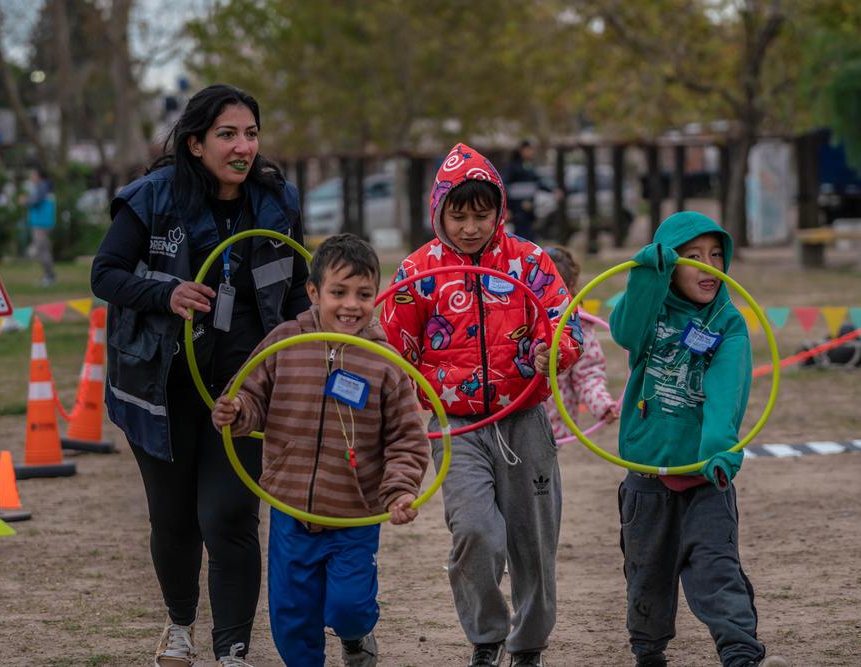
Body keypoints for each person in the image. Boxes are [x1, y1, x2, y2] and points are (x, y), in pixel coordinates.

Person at [91, 84, 310, 667]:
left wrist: (317, 337)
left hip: (244, 391)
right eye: (227, 135)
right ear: (194, 144)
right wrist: (166, 293)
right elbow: (105, 274)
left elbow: (294, 291)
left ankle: (232, 649)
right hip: (162, 386)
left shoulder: (277, 200)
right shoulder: (152, 198)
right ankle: (180, 625)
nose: (244, 147)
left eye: (251, 134)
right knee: (175, 518)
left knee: (230, 515)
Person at [381, 143, 583, 667]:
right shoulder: (416, 270)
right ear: (439, 212)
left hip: (524, 419)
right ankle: (487, 637)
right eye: (459, 215)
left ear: (499, 211)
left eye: (482, 214)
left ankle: (529, 645)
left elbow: (566, 326)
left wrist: (552, 353)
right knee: (474, 531)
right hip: (456, 426)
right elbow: (393, 354)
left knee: (533, 543)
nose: (471, 227)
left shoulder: (530, 261)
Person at [212, 234, 429, 667]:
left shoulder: (384, 361)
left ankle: (355, 636)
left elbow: (407, 438)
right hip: (291, 509)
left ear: (377, 298)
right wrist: (236, 413)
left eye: (364, 295)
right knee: (292, 617)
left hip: (355, 512)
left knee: (349, 607)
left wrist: (400, 491)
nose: (351, 304)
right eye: (339, 292)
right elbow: (252, 395)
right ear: (313, 292)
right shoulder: (284, 342)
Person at [608, 211, 787, 667]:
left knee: (716, 568)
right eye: (692, 257)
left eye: (715, 256)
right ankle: (648, 651)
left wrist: (718, 452)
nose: (708, 266)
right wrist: (648, 272)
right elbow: (625, 330)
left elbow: (727, 391)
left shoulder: (727, 323)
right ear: (671, 265)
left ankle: (740, 652)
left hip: (707, 475)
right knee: (646, 573)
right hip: (648, 473)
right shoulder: (651, 312)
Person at [542, 245, 619, 441]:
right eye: (538, 288)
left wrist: (602, 405)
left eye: (553, 290)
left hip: (551, 429)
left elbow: (588, 375)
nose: (545, 298)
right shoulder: (510, 319)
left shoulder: (580, 329)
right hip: (507, 420)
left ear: (569, 288)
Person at [503, 140, 559, 243]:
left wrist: (552, 190)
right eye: (529, 149)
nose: (531, 152)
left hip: (529, 209)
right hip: (517, 209)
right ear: (522, 150)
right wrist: (508, 208)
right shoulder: (512, 167)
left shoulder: (529, 165)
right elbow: (505, 187)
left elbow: (537, 182)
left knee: (530, 236)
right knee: (519, 237)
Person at [21, 166, 56, 286]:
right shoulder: (43, 186)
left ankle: (49, 276)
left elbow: (35, 201)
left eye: (32, 175)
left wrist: (25, 201)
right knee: (44, 250)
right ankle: (49, 276)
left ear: (38, 176)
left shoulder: (42, 186)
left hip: (41, 224)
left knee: (41, 250)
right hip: (41, 223)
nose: (31, 177)